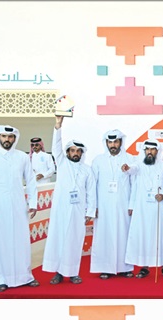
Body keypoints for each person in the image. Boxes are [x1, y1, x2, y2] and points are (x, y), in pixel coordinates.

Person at [0, 124, 38, 292]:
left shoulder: (22, 157)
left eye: (10, 137)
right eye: (4, 136)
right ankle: (0, 279)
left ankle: (24, 276)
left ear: (15, 138)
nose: (7, 139)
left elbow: (31, 181)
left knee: (21, 242)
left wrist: (33, 203)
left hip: (18, 207)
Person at [42, 115, 96, 285]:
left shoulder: (87, 170)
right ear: (67, 153)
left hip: (78, 210)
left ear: (82, 153)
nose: (75, 153)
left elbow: (91, 192)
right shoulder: (62, 163)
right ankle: (58, 272)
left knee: (74, 241)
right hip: (60, 209)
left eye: (78, 151)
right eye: (72, 151)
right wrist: (58, 126)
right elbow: (55, 146)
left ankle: (72, 272)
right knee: (58, 239)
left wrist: (90, 211)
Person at [90, 129, 135, 279]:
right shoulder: (98, 160)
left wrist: (132, 205)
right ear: (106, 143)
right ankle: (105, 267)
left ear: (121, 142)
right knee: (104, 236)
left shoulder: (130, 159)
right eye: (110, 142)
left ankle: (125, 267)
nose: (113, 145)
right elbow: (92, 185)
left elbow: (134, 184)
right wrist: (94, 206)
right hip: (103, 206)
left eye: (115, 142)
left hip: (124, 206)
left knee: (124, 235)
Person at [125, 140, 163, 279]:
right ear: (144, 151)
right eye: (147, 149)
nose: (150, 152)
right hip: (142, 207)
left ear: (157, 151)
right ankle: (144, 266)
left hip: (158, 206)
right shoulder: (139, 165)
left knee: (160, 235)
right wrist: (127, 168)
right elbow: (132, 174)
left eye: (153, 150)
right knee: (143, 235)